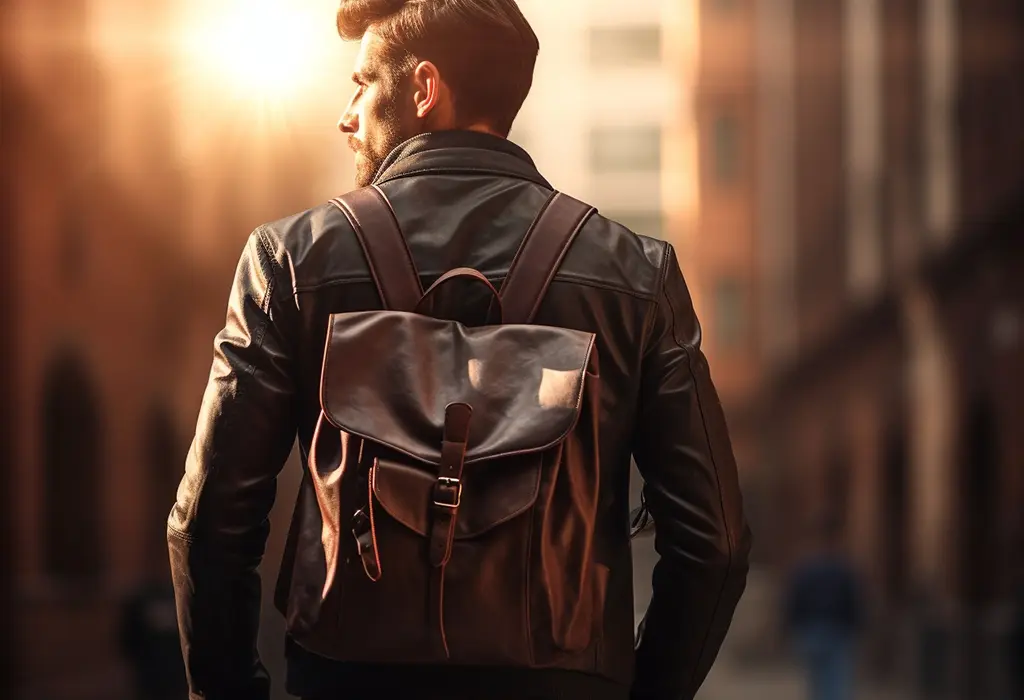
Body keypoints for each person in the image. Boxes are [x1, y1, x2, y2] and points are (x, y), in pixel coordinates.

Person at [167, 2, 752, 699]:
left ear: (423, 89)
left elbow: (206, 525)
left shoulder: (287, 260)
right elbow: (714, 544)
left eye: (361, 84)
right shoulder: (636, 274)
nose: (345, 114)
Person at [783, 517, 864, 700]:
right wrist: (857, 628)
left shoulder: (805, 569)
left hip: (811, 630)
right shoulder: (844, 569)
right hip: (838, 632)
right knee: (836, 682)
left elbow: (794, 601)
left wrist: (791, 628)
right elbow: (854, 602)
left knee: (816, 681)